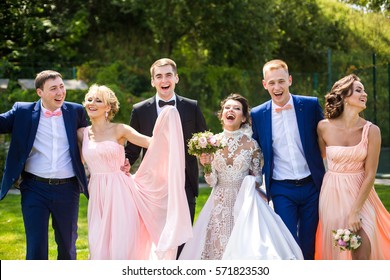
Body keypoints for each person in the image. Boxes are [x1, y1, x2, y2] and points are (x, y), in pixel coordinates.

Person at [179, 93, 303, 260]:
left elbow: (258, 179)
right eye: (227, 108)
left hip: (244, 201)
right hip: (218, 203)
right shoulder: (211, 143)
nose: (231, 110)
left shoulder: (252, 144)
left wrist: (248, 182)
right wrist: (206, 164)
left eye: (236, 108)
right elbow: (212, 181)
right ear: (222, 115)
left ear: (243, 118)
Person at [78, 84, 192, 260]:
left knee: (121, 245)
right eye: (89, 99)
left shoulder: (120, 129)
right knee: (97, 245)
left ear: (108, 107)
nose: (92, 103)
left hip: (121, 193)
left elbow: (153, 143)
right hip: (97, 195)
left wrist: (167, 121)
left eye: (98, 100)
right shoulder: (82, 134)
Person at [0, 70, 88, 260]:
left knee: (67, 246)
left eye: (62, 87)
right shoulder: (22, 111)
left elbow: (91, 140)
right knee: (36, 246)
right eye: (53, 89)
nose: (60, 92)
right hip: (34, 188)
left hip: (68, 189)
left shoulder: (76, 111)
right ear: (39, 92)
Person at [124, 58, 207, 257]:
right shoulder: (140, 110)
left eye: (168, 75)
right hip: (153, 186)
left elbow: (205, 139)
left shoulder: (191, 107)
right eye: (159, 76)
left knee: (182, 238)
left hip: (184, 182)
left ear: (176, 78)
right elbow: (132, 149)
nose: (164, 80)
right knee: (156, 237)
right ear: (152, 81)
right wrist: (123, 163)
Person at [251, 59, 325, 260]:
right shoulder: (257, 114)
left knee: (309, 241)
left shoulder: (309, 106)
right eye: (272, 82)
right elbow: (251, 149)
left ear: (290, 80)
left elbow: (328, 134)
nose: (277, 87)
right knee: (288, 240)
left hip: (312, 185)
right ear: (264, 84)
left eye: (281, 81)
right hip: (282, 188)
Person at [314, 74, 390, 260]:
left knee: (361, 246)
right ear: (345, 96)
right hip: (332, 195)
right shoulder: (323, 127)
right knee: (339, 248)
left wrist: (355, 210)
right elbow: (320, 158)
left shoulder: (372, 131)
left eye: (364, 90)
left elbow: (371, 174)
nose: (364, 94)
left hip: (361, 195)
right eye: (359, 90)